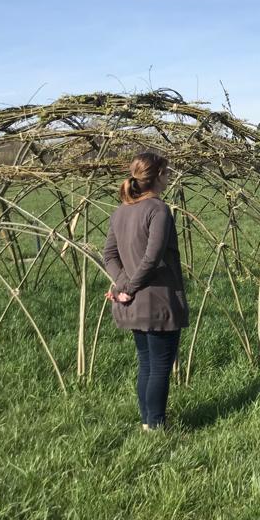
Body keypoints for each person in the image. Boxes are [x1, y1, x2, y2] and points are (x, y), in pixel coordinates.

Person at [103, 152, 189, 431]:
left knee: (146, 364)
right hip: (157, 301)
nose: (170, 176)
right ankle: (157, 426)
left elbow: (109, 257)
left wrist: (122, 287)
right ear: (158, 175)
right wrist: (126, 287)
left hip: (133, 303)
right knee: (161, 366)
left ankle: (146, 423)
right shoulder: (158, 210)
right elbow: (152, 258)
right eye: (167, 172)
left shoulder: (120, 212)